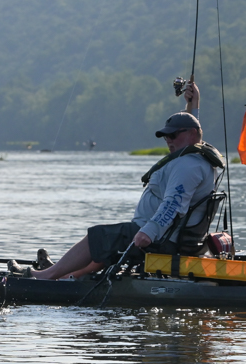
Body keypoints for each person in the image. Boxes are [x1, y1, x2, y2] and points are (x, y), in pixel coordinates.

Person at [19, 82, 224, 280]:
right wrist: (193, 104)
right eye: (166, 137)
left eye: (173, 135)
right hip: (168, 235)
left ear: (192, 134)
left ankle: (45, 276)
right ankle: (64, 275)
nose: (169, 140)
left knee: (98, 237)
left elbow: (173, 204)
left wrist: (149, 232)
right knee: (112, 240)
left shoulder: (187, 166)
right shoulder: (196, 156)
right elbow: (192, 128)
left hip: (162, 239)